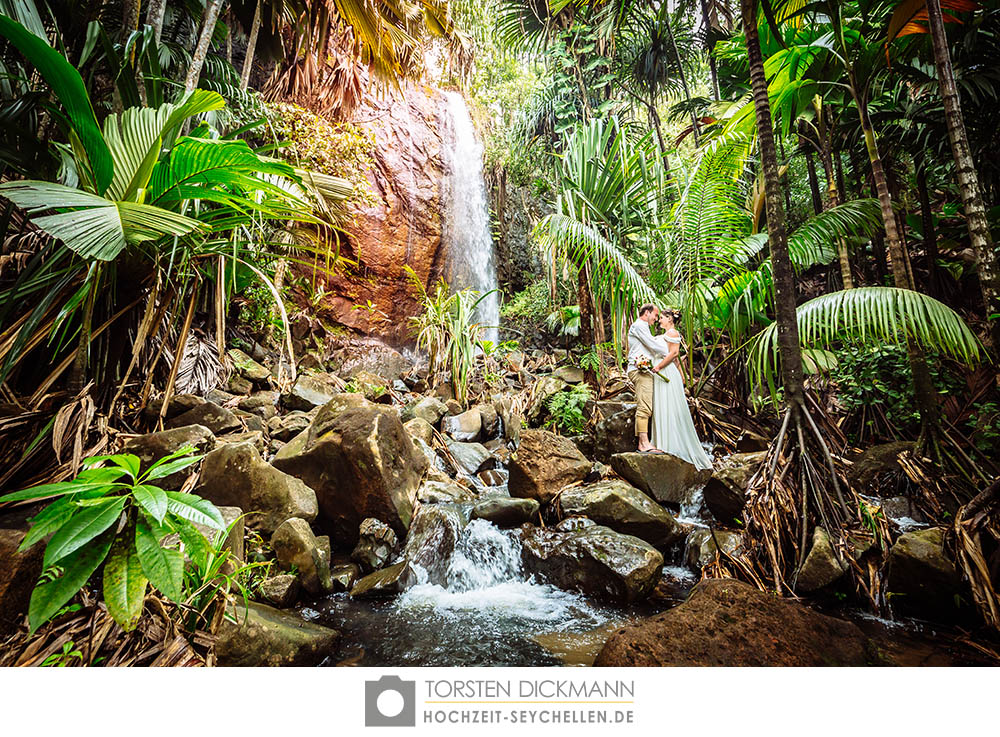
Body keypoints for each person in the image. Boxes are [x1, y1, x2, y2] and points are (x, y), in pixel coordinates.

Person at [649, 309, 713, 470]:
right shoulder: (666, 334)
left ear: (670, 319)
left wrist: (658, 366)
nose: (659, 321)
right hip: (661, 373)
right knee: (662, 408)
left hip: (667, 372)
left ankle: (671, 445)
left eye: (662, 318)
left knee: (670, 407)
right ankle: (661, 443)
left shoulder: (672, 333)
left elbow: (674, 353)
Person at [627, 303, 670, 453]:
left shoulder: (643, 328)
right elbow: (652, 345)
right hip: (640, 371)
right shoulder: (639, 326)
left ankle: (644, 442)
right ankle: (643, 444)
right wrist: (669, 352)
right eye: (655, 315)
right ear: (647, 313)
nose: (656, 319)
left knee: (646, 407)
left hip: (644, 370)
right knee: (644, 407)